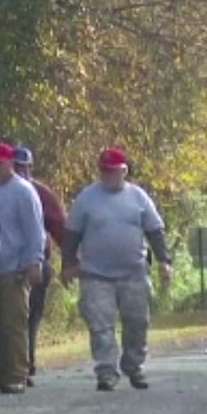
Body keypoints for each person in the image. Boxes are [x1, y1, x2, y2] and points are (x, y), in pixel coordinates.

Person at [61, 147, 172, 391]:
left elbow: (155, 230)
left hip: (134, 272)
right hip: (95, 274)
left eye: (114, 171)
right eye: (105, 171)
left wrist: (164, 261)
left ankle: (134, 366)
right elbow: (71, 234)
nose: (109, 175)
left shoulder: (138, 197)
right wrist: (68, 264)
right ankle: (106, 371)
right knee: (101, 326)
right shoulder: (87, 198)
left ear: (124, 171)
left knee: (137, 322)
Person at [0, 142, 44, 394]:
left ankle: (17, 374)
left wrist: (33, 262)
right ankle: (1, 372)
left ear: (9, 164)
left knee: (13, 324)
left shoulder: (23, 191)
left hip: (14, 268)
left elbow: (34, 231)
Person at [13, 146, 66, 384]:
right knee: (9, 319)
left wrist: (71, 260)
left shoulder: (42, 193)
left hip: (36, 263)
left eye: (23, 167)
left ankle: (28, 362)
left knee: (30, 317)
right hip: (6, 264)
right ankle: (11, 365)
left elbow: (60, 228)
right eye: (16, 166)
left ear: (30, 168)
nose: (20, 171)